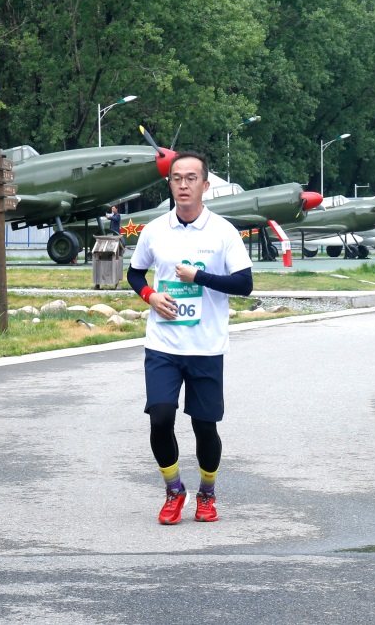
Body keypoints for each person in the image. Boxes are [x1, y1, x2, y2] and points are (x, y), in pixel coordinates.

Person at [126, 151, 253, 525]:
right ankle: (174, 490)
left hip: (206, 346)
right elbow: (135, 273)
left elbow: (244, 283)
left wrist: (199, 278)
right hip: (163, 345)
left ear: (205, 185)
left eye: (191, 178)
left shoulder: (223, 232)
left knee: (204, 426)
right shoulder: (154, 230)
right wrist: (150, 296)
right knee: (160, 418)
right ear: (170, 184)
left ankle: (207, 494)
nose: (183, 185)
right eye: (177, 178)